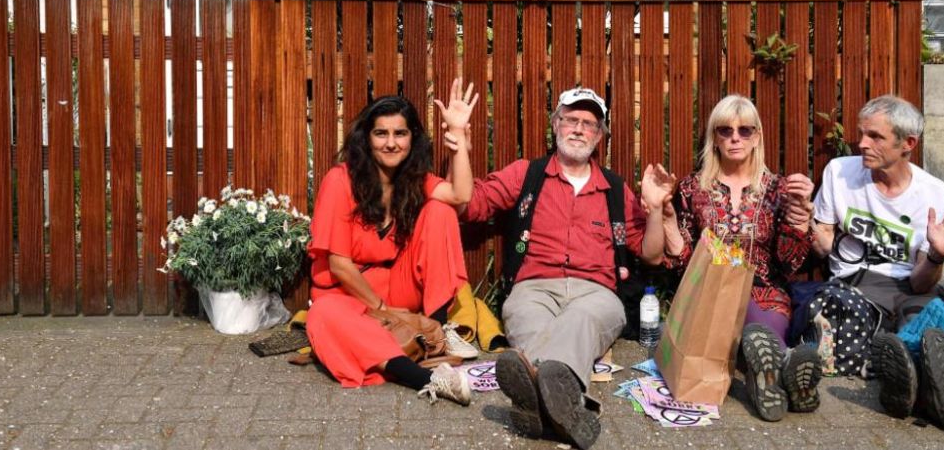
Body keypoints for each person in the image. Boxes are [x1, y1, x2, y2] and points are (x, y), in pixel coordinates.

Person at [460, 87, 666, 450]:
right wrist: (459, 142)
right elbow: (470, 204)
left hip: (598, 293)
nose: (578, 128)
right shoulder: (527, 175)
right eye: (570, 119)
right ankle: (568, 407)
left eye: (588, 123)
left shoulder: (614, 189)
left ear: (599, 136)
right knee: (527, 317)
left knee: (582, 318)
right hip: (533, 287)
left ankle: (538, 395)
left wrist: (656, 209)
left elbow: (650, 254)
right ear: (555, 124)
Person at [644, 94, 821, 422]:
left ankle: (775, 372)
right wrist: (667, 218)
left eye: (745, 130)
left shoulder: (778, 189)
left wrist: (799, 224)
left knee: (758, 326)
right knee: (746, 329)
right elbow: (682, 259)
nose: (735, 138)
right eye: (725, 130)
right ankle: (779, 373)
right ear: (714, 137)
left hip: (764, 294)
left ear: (757, 137)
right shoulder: (692, 189)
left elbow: (789, 263)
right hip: (708, 296)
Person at [305, 80, 480, 405]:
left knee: (441, 212)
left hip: (399, 286)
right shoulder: (340, 180)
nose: (390, 143)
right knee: (323, 315)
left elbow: (461, 195)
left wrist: (459, 141)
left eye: (400, 133)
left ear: (412, 139)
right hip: (349, 293)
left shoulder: (414, 180)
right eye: (381, 133)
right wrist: (384, 312)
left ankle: (436, 334)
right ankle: (428, 378)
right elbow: (339, 265)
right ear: (366, 139)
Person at [811, 95, 944, 430]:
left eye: (875, 136)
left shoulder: (937, 196)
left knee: (927, 324)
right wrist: (807, 226)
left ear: (907, 143)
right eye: (862, 133)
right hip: (859, 283)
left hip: (910, 286)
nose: (862, 143)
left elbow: (920, 283)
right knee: (853, 310)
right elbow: (822, 239)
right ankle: (911, 382)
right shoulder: (840, 173)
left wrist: (938, 254)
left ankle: (920, 384)